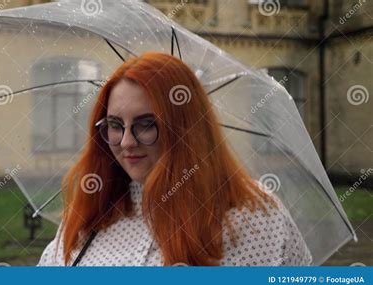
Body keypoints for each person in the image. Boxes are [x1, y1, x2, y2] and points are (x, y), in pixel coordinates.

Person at [37, 52, 312, 266]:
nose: (127, 142)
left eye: (146, 124)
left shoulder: (251, 219)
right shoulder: (90, 217)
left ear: (184, 128)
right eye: (115, 125)